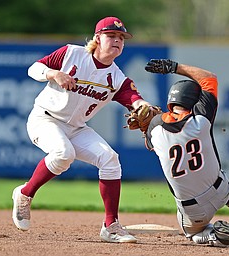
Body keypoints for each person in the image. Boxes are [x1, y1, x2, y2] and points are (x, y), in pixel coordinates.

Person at [12, 16, 158, 243]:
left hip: (77, 128)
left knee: (110, 159)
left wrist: (142, 106)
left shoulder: (117, 78)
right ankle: (25, 194)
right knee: (64, 154)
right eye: (111, 35)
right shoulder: (72, 54)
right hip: (45, 119)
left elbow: (134, 99)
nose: (117, 40)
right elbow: (35, 68)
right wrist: (54, 73)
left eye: (121, 37)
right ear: (98, 38)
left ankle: (111, 226)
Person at [143, 59, 229, 246]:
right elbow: (209, 78)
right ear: (194, 100)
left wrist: (145, 127)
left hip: (195, 210)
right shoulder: (201, 120)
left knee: (192, 234)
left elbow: (150, 143)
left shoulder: (154, 127)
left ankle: (214, 235)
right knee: (212, 163)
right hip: (221, 188)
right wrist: (173, 67)